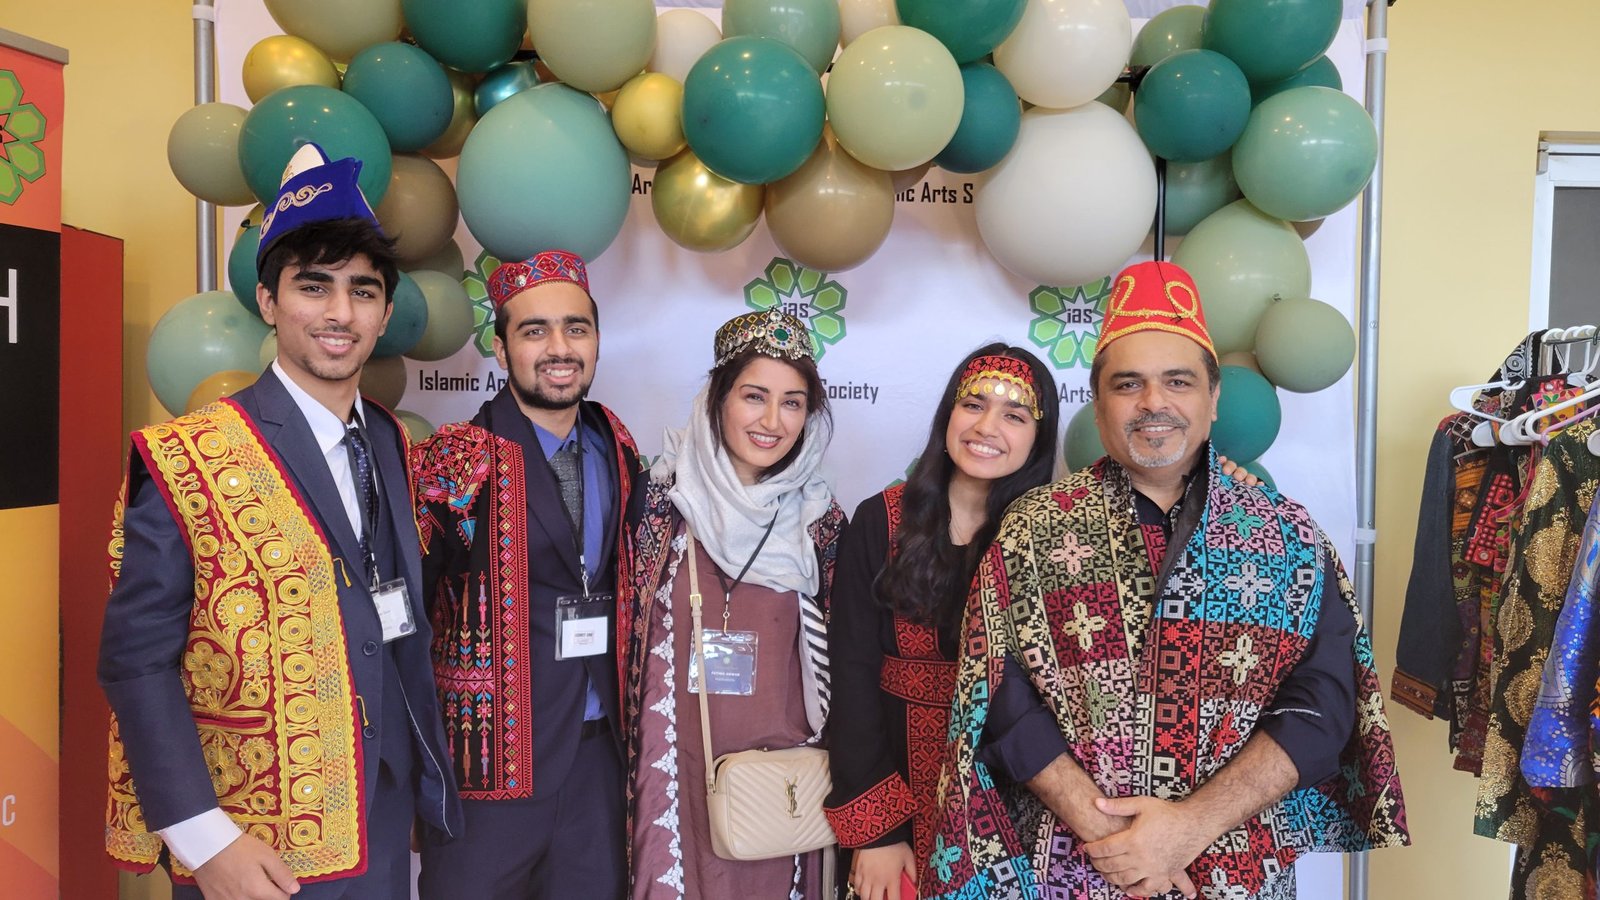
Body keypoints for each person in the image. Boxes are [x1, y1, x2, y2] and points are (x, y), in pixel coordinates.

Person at [923, 260, 1409, 900]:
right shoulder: (1032, 529)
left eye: (1178, 381)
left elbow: (1323, 705)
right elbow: (996, 694)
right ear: (1099, 407)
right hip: (1071, 863)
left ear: (1213, 399)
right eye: (1128, 384)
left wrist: (1191, 826)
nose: (1154, 402)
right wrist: (1111, 835)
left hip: (1236, 868)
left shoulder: (1289, 536)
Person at [98, 143, 462, 900]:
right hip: (254, 846)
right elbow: (136, 661)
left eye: (363, 291)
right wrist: (205, 842)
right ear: (268, 301)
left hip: (382, 818)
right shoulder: (187, 456)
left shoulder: (389, 440)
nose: (340, 313)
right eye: (313, 286)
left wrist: (418, 775)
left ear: (384, 313)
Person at [411, 250, 644, 899]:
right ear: (500, 345)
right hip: (487, 772)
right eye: (535, 330)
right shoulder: (455, 463)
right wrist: (416, 776)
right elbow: (405, 628)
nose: (559, 348)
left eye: (576, 328)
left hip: (598, 766)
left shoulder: (618, 446)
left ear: (596, 339)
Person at [823, 344, 1060, 900]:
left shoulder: (1053, 537)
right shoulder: (881, 519)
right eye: (973, 405)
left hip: (1017, 800)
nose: (986, 427)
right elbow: (850, 677)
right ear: (947, 415)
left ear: (1038, 437)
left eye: (1014, 415)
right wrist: (878, 831)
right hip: (897, 793)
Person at [625, 307, 846, 899]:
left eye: (793, 402)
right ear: (718, 397)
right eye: (754, 397)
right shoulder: (659, 501)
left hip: (778, 779)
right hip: (673, 766)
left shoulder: (820, 522)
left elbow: (841, 668)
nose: (772, 421)